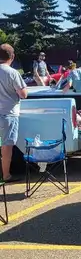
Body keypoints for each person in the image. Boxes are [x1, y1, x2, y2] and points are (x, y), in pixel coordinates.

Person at [0, 44, 28, 182]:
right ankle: (6, 175)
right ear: (12, 56)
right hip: (8, 113)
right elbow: (23, 94)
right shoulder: (12, 73)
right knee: (6, 146)